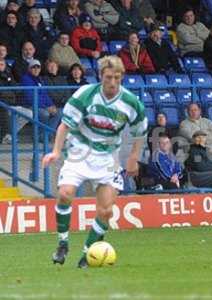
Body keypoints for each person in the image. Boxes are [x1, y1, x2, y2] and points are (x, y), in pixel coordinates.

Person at [42, 55, 148, 268]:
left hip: (108, 159)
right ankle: (62, 243)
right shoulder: (85, 94)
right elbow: (64, 125)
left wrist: (133, 159)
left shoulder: (131, 103)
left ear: (122, 77)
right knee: (64, 193)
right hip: (80, 153)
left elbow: (140, 134)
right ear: (101, 76)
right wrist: (55, 151)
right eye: (108, 77)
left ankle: (86, 255)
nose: (112, 83)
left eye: (117, 78)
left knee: (106, 211)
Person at [21, 59, 63, 134]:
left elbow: (45, 95)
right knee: (45, 114)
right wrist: (45, 107)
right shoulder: (26, 79)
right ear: (29, 69)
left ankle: (46, 135)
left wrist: (52, 105)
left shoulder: (40, 79)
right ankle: (39, 135)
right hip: (30, 106)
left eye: (38, 67)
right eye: (33, 67)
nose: (36, 69)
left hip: (41, 106)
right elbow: (30, 98)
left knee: (59, 112)